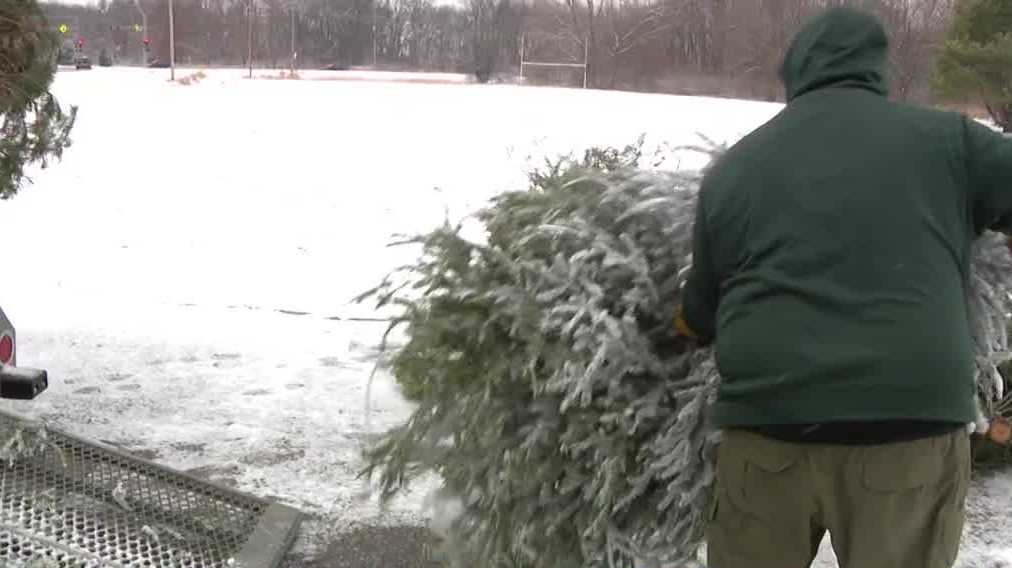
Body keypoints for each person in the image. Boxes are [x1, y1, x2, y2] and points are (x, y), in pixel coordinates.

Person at [675, 6, 1012, 568]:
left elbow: (700, 312)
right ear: (877, 68)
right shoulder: (948, 141)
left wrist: (680, 329)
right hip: (908, 432)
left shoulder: (736, 168)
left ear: (796, 73)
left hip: (768, 431)